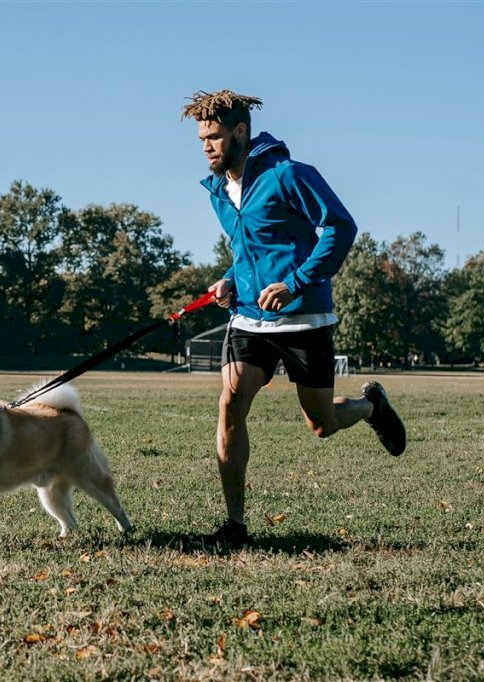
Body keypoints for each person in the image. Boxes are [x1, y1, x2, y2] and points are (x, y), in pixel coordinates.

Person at [181, 90, 407, 547]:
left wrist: (295, 283)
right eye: (202, 138)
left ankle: (369, 406)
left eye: (215, 137)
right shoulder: (219, 190)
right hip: (248, 319)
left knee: (320, 423)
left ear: (240, 132)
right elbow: (248, 251)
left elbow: (341, 227)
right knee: (230, 403)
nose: (207, 146)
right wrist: (229, 281)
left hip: (305, 316)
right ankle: (235, 527)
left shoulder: (290, 176)